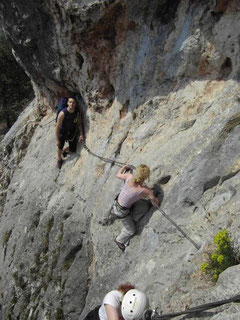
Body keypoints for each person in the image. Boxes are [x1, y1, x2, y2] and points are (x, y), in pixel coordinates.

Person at [113, 164, 159, 250]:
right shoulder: (144, 190)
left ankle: (131, 216)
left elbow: (117, 175)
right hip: (121, 212)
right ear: (146, 177)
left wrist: (124, 167)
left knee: (144, 206)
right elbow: (155, 204)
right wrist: (153, 197)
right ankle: (119, 240)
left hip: (117, 203)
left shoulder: (129, 176)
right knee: (131, 231)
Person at [55, 97, 84, 169]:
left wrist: (81, 134)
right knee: (59, 146)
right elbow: (57, 127)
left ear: (75, 104)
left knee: (73, 150)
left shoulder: (77, 112)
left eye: (73, 102)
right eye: (70, 102)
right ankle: (59, 159)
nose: (72, 104)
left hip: (71, 131)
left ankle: (64, 150)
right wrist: (57, 139)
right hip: (62, 132)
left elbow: (79, 123)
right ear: (67, 103)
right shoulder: (62, 113)